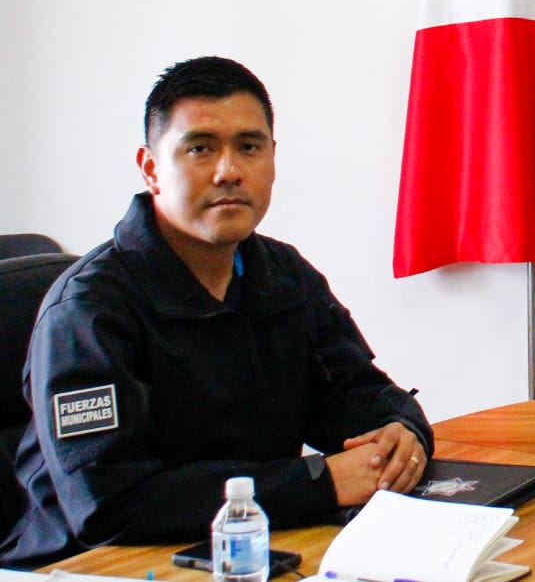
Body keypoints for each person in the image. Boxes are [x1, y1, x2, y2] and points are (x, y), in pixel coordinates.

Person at [0, 57, 433, 566]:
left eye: (249, 147)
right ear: (151, 168)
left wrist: (401, 433)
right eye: (200, 148)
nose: (229, 171)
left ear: (272, 158)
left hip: (244, 552)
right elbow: (108, 505)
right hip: (84, 568)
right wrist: (321, 482)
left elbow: (356, 394)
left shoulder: (282, 275)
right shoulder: (86, 314)